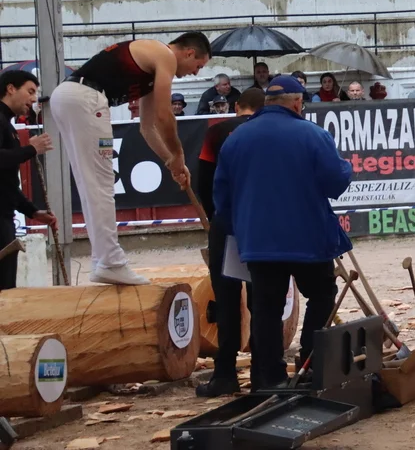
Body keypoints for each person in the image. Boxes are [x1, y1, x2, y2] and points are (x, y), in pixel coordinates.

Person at [214, 76, 352, 390]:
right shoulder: (313, 134)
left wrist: (241, 231)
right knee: (321, 295)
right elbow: (335, 183)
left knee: (266, 308)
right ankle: (311, 363)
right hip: (308, 237)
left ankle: (269, 378)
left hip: (259, 241)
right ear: (298, 102)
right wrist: (346, 167)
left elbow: (221, 197)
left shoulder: (236, 138)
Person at [50, 34, 212, 285]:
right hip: (86, 98)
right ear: (189, 53)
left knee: (90, 184)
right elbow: (164, 115)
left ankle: (101, 260)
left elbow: (146, 127)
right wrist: (179, 155)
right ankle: (111, 262)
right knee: (102, 184)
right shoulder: (165, 56)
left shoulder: (150, 68)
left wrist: (171, 162)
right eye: (198, 66)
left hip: (69, 96)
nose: (195, 73)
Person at [194, 87, 265, 397]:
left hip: (228, 223)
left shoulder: (218, 131)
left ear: (238, 106)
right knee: (262, 298)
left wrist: (215, 218)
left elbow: (204, 180)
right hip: (262, 224)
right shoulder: (269, 132)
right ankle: (263, 372)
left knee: (226, 299)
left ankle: (225, 373)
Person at [0, 70, 57, 291]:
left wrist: (32, 212)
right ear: (10, 89)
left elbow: (7, 183)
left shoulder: (7, 125)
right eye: (30, 91)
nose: (33, 99)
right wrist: (31, 149)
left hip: (5, 218)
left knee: (6, 286)